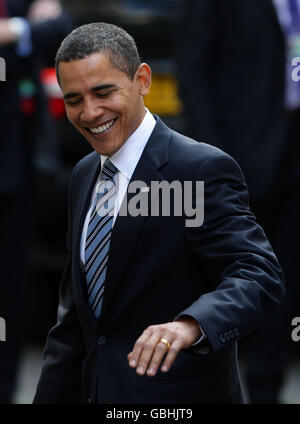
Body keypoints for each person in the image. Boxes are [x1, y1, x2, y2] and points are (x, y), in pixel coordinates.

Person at [33, 22, 285, 404]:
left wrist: (191, 324)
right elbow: (73, 327)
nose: (89, 112)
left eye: (103, 92)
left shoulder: (198, 169)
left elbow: (258, 275)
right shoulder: (84, 175)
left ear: (142, 80)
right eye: (73, 100)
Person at [175, 0, 300, 403]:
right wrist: (215, 161)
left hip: (294, 154)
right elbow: (192, 69)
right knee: (227, 280)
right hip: (241, 159)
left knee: (287, 279)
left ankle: (267, 391)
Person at [0, 0, 73, 403]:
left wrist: (12, 31)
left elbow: (62, 27)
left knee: (10, 286)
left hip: (15, 167)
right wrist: (21, 29)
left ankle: (5, 387)